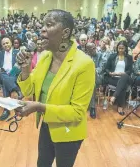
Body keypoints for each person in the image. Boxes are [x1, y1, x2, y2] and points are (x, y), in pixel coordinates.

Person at [16, 10, 95, 167]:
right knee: (42, 164)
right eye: (43, 25)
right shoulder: (45, 56)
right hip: (47, 125)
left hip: (68, 132)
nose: (42, 29)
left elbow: (77, 112)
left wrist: (39, 107)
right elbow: (28, 91)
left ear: (65, 32)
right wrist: (25, 69)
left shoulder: (84, 64)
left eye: (49, 25)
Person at [0, 36, 22, 121]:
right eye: (4, 44)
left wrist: (16, 69)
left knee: (5, 83)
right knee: (3, 76)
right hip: (3, 73)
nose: (6, 45)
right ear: (2, 46)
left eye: (7, 43)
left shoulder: (18, 52)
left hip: (14, 73)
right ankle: (16, 90)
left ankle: (6, 110)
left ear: (11, 43)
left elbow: (21, 65)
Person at [105, 41, 133, 115]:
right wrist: (110, 73)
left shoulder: (129, 58)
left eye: (122, 48)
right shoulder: (112, 56)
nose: (120, 50)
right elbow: (106, 68)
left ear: (125, 48)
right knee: (123, 85)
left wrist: (123, 73)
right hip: (114, 78)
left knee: (124, 77)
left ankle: (114, 97)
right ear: (117, 48)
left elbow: (130, 70)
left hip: (125, 77)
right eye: (119, 48)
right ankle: (120, 107)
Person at [85, 42, 104, 119]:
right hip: (86, 79)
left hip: (98, 77)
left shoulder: (100, 55)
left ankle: (92, 107)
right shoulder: (84, 56)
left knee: (93, 82)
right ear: (87, 50)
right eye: (92, 48)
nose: (94, 50)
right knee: (92, 85)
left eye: (94, 47)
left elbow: (101, 68)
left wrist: (92, 70)